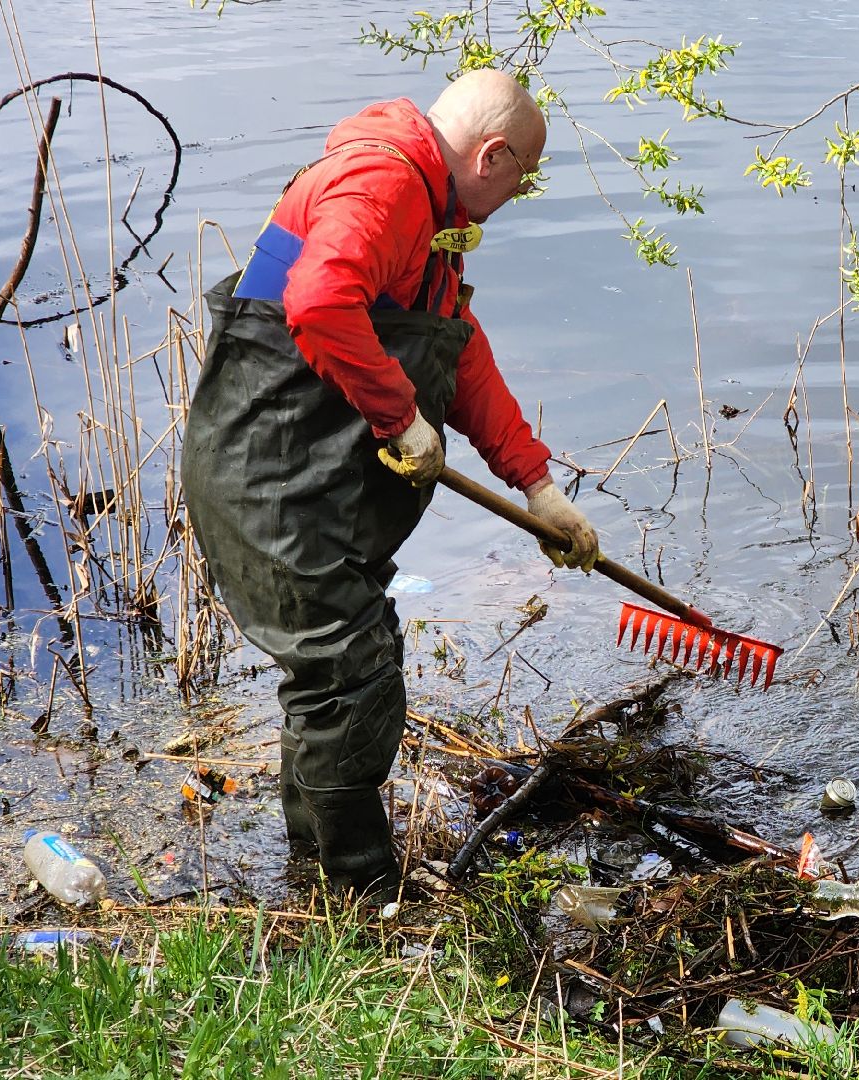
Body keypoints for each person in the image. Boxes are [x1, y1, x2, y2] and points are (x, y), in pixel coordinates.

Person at [181, 70, 601, 893]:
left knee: (338, 672)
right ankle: (362, 894)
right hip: (270, 479)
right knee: (348, 673)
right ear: (494, 154)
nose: (520, 193)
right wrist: (401, 417)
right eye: (525, 175)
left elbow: (458, 346)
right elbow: (319, 301)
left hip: (315, 479)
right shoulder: (385, 180)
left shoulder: (427, 206)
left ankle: (314, 876)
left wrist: (536, 485)